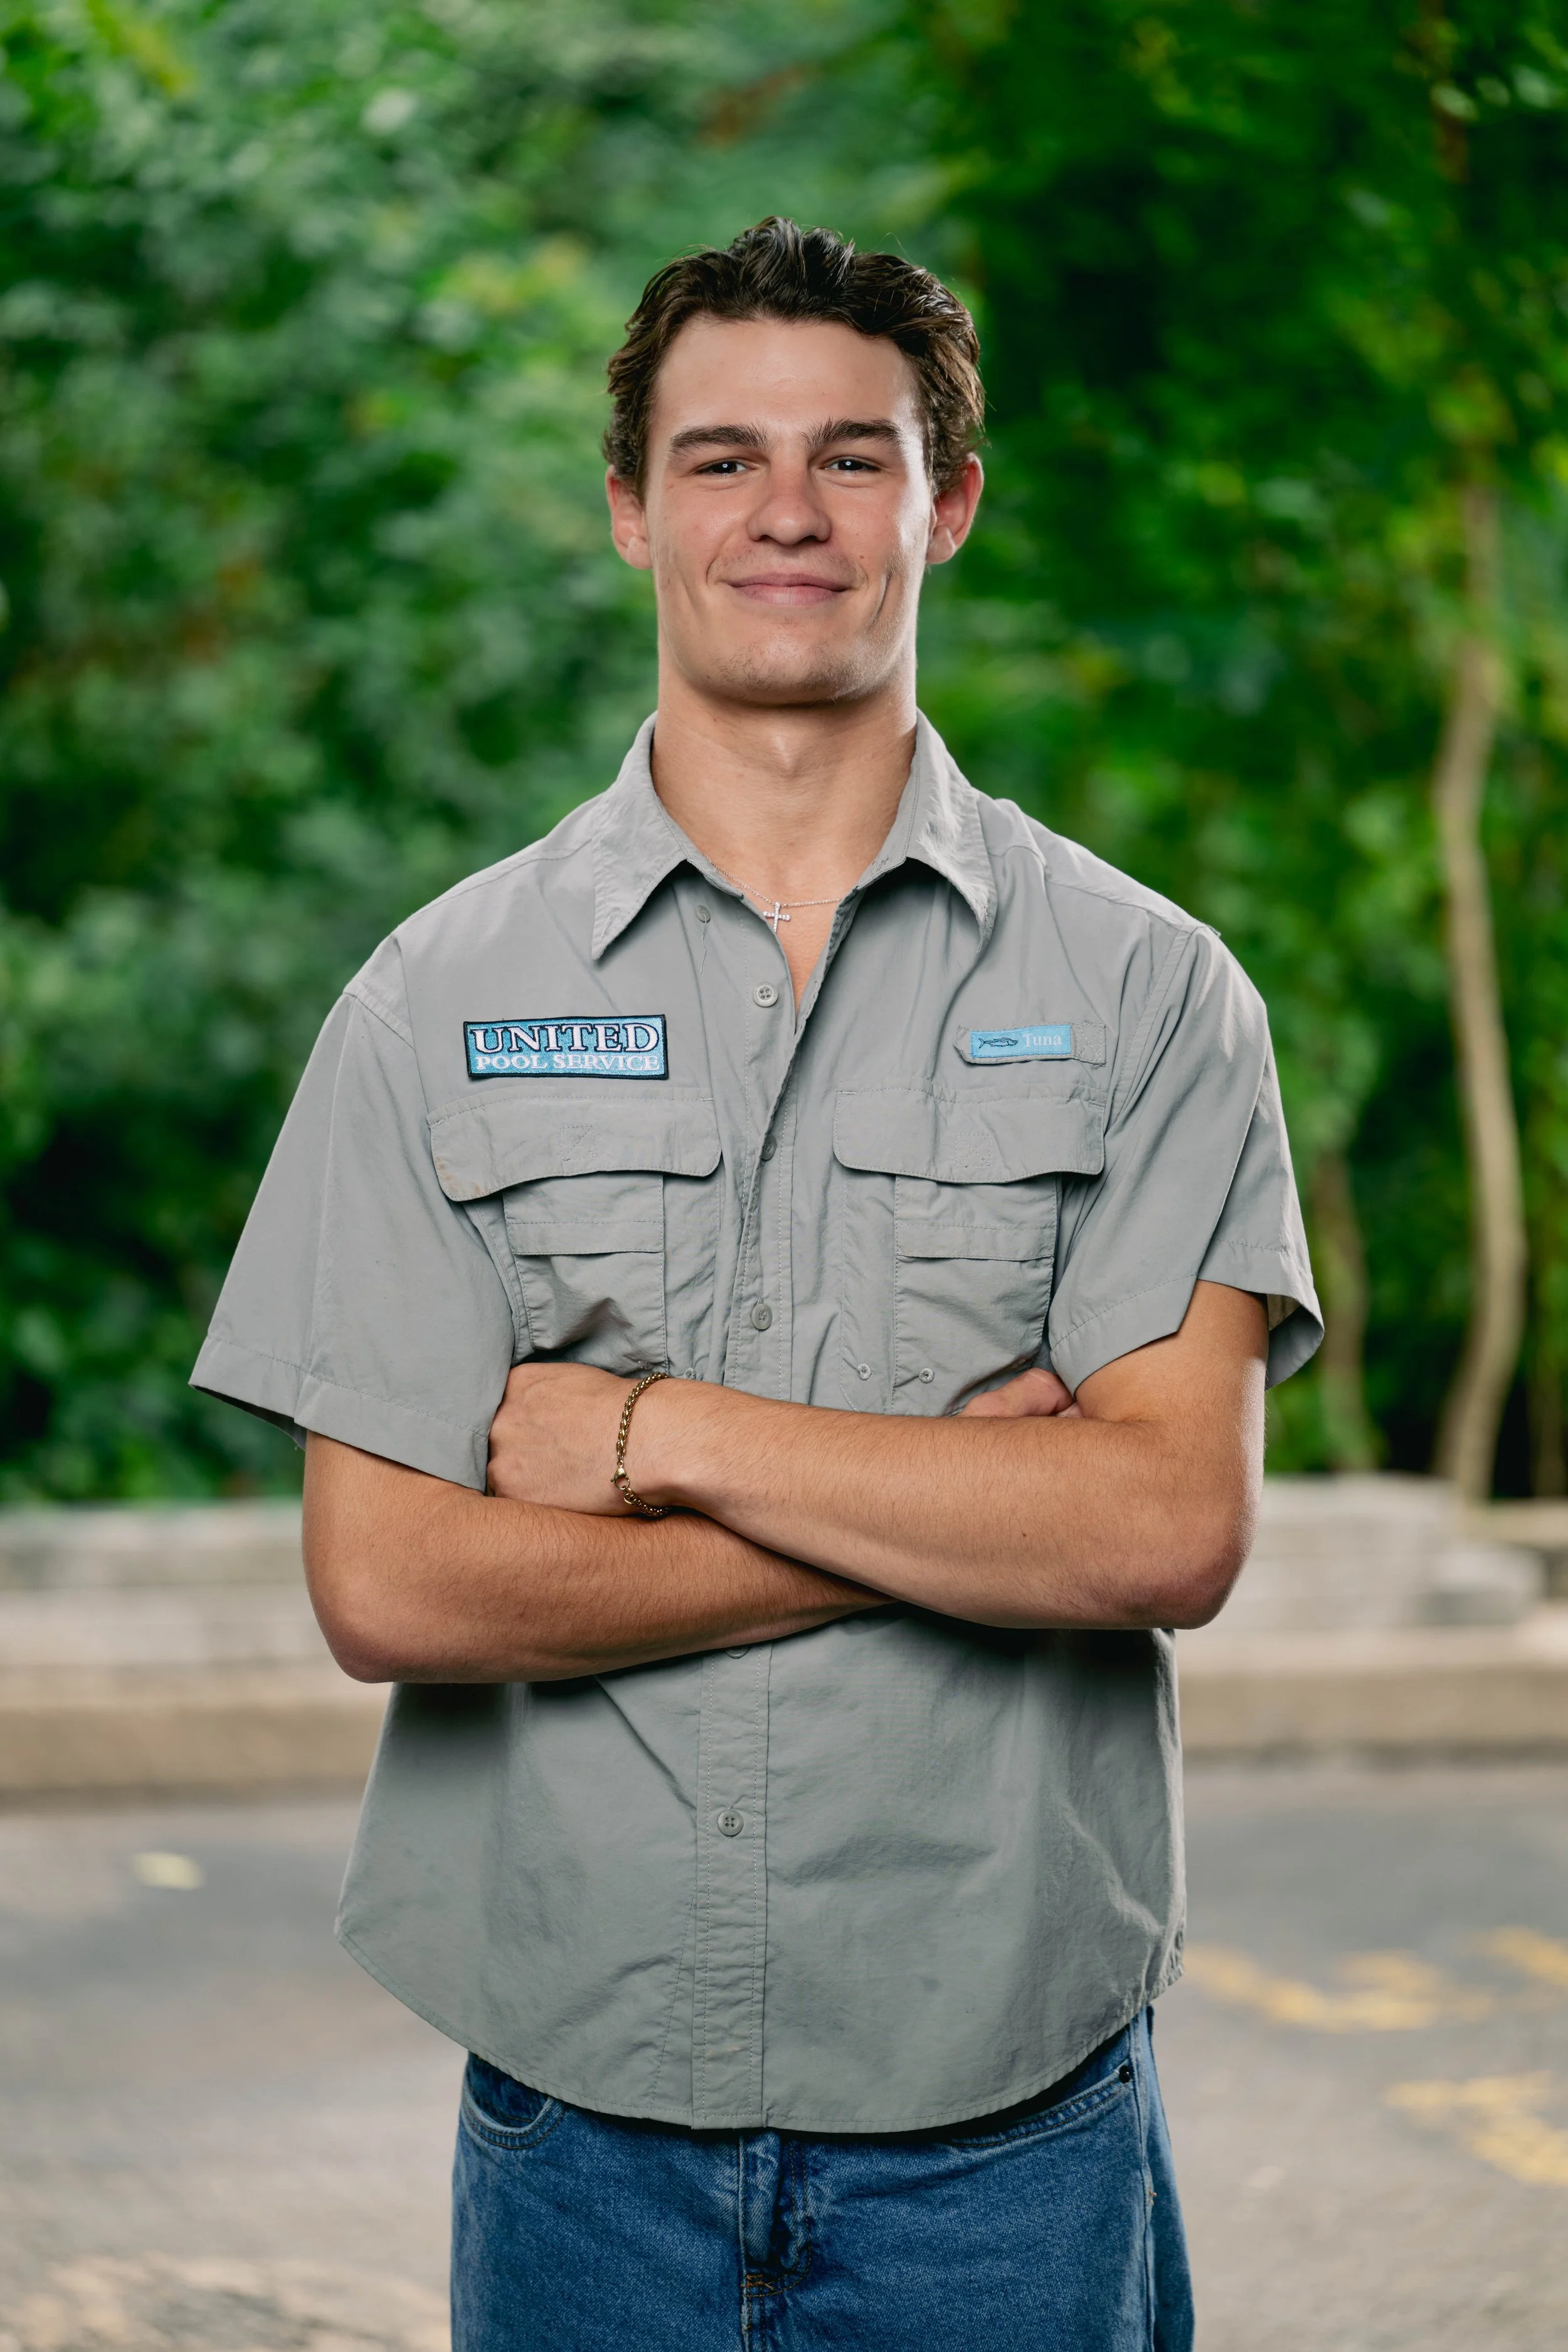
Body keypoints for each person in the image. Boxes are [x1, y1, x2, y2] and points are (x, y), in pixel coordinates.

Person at [193, 216, 1320, 2350]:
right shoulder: (436, 999)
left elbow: (1162, 1526)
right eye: (718, 459)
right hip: (580, 2115)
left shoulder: (1153, 993)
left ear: (946, 502)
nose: (784, 513)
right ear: (628, 507)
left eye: (852, 457)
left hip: (1009, 2116)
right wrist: (958, 1517)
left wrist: (641, 1437)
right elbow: (396, 1587)